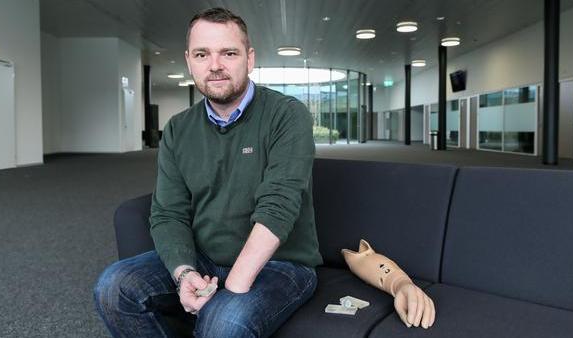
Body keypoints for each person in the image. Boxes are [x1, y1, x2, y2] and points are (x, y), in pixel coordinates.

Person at [94, 7, 434, 337]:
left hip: (281, 265)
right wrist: (185, 274)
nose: (215, 65)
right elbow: (168, 213)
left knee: (224, 322)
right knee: (113, 289)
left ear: (249, 58)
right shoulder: (178, 129)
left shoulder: (287, 115)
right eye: (202, 54)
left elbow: (279, 206)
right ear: (189, 61)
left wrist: (232, 287)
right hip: (204, 259)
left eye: (228, 53)